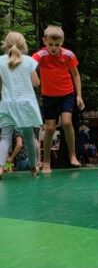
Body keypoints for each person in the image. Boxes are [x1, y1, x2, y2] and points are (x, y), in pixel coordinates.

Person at [32, 25, 84, 173]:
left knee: (67, 122)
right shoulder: (40, 55)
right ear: (44, 41)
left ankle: (72, 155)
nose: (53, 48)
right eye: (50, 45)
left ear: (62, 42)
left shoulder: (68, 55)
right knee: (49, 128)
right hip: (49, 95)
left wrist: (79, 95)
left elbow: (75, 75)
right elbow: (29, 66)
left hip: (67, 93)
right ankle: (46, 160)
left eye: (57, 45)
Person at [0, 32, 43, 180]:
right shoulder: (29, 61)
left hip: (7, 103)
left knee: (5, 138)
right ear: (23, 44)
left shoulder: (0, 61)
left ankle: (0, 168)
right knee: (29, 138)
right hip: (26, 105)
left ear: (5, 44)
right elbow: (36, 83)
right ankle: (33, 167)